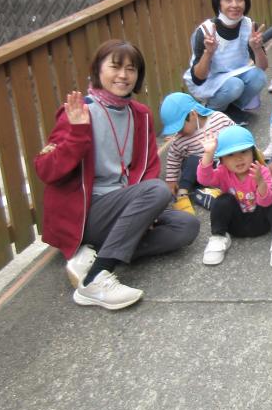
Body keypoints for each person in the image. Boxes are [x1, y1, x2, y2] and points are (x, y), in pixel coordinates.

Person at [34, 40, 199, 310]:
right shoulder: (79, 112)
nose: (123, 75)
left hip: (125, 206)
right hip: (87, 213)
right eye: (115, 67)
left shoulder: (140, 115)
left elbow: (148, 168)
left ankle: (93, 253)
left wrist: (148, 213)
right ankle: (96, 277)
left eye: (131, 69)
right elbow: (46, 170)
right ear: (98, 70)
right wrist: (76, 134)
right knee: (158, 190)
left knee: (186, 227)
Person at [197, 126, 272, 267]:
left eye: (244, 151)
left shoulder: (261, 171)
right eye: (230, 154)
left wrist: (260, 182)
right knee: (222, 200)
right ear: (222, 159)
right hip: (236, 225)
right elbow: (204, 180)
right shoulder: (223, 172)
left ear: (253, 152)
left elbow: (267, 202)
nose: (238, 158)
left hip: (262, 222)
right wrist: (208, 154)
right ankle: (219, 236)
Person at [183, 0, 268, 119]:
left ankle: (233, 109)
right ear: (218, 3)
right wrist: (208, 53)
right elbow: (198, 79)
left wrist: (257, 48)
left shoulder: (249, 26)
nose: (234, 5)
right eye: (228, 0)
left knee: (259, 77)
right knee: (235, 85)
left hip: (234, 75)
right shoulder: (206, 31)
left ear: (245, 3)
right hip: (210, 81)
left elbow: (262, 67)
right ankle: (212, 111)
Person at [159, 92, 234, 213]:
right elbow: (173, 158)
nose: (178, 132)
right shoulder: (180, 139)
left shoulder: (219, 119)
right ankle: (182, 194)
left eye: (180, 127)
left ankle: (207, 194)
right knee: (193, 161)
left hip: (223, 167)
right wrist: (171, 181)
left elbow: (237, 135)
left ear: (193, 114)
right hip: (201, 173)